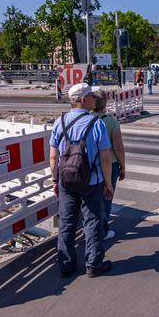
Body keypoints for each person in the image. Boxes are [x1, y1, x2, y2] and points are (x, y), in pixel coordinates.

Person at [49, 83, 114, 278]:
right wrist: (108, 183)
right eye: (92, 96)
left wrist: (55, 180)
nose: (94, 99)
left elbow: (53, 157)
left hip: (66, 181)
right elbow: (105, 158)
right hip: (91, 181)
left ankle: (66, 265)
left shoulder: (59, 123)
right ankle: (93, 265)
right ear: (83, 100)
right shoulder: (97, 124)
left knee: (67, 223)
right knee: (92, 222)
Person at [92, 91, 126, 240]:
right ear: (105, 103)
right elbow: (118, 148)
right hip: (110, 164)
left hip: (90, 164)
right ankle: (103, 231)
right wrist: (123, 166)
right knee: (107, 197)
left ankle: (91, 227)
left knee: (91, 198)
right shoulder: (111, 122)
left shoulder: (86, 119)